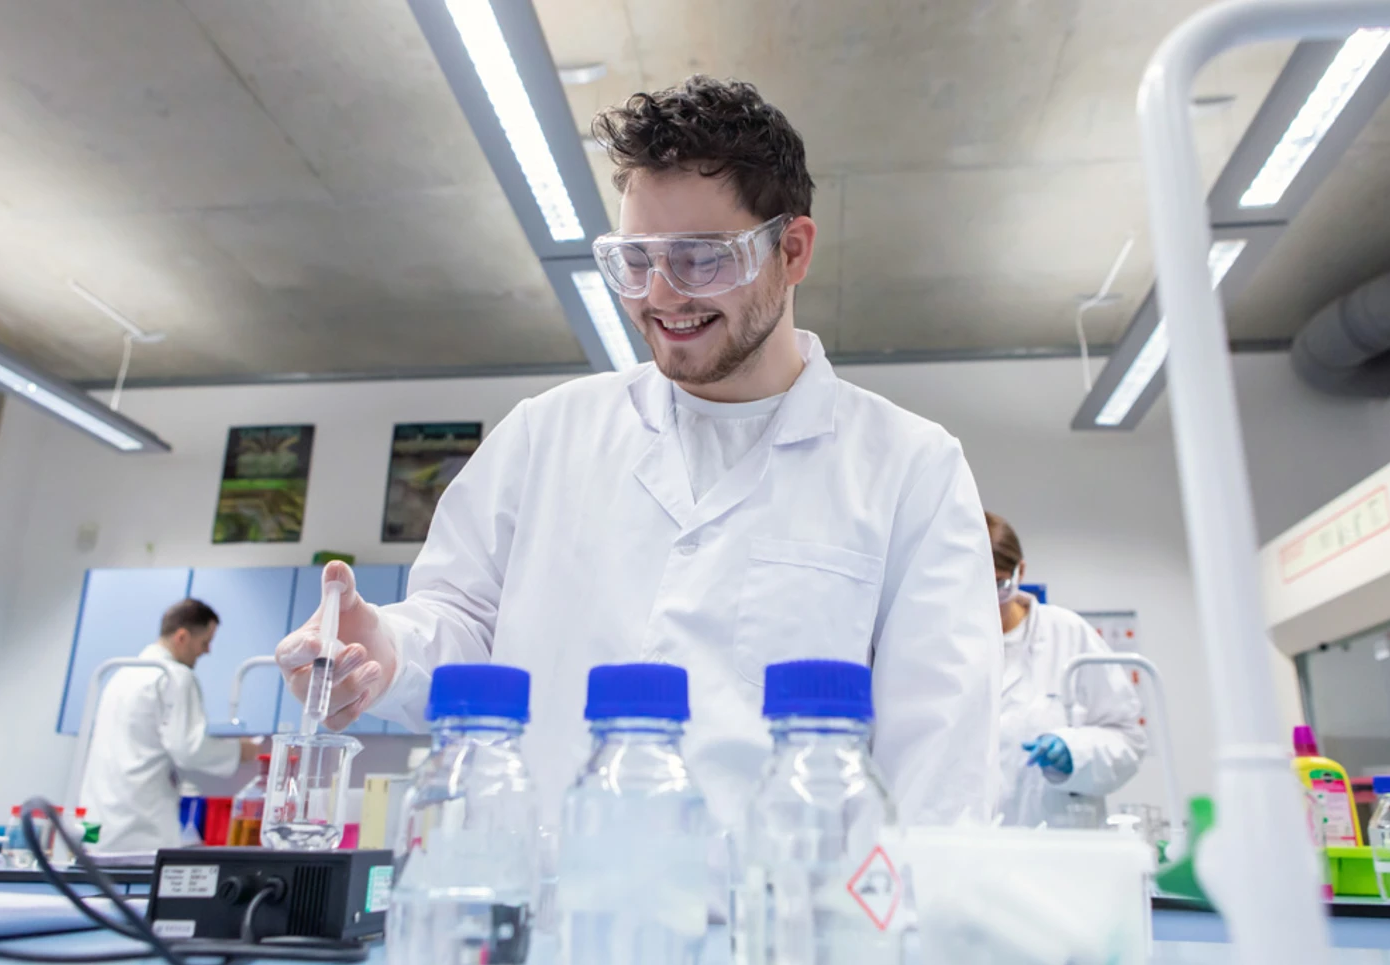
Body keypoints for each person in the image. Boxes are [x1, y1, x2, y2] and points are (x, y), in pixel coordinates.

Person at [276, 76, 1002, 831]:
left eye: (700, 258)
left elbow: (940, 770)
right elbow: (461, 619)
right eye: (635, 259)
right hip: (543, 918)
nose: (660, 295)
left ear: (791, 250)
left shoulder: (910, 469)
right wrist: (386, 649)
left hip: (777, 934)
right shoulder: (544, 435)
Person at [987, 511, 1147, 827]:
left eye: (999, 585)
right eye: (976, 587)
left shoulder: (1069, 633)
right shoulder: (946, 645)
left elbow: (1129, 740)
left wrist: (1077, 751)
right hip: (970, 846)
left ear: (1021, 572)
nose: (990, 601)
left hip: (1058, 844)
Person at [81, 599, 258, 852]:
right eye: (205, 642)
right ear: (182, 637)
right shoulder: (175, 676)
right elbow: (189, 749)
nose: (207, 651)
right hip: (141, 830)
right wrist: (243, 751)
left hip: (96, 826)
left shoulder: (120, 674)